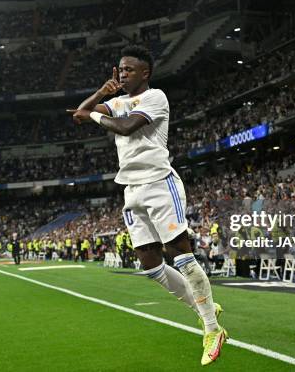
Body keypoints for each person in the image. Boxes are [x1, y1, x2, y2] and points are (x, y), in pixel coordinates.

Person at [67, 45, 226, 365]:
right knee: (150, 264)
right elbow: (79, 114)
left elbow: (124, 126)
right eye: (119, 69)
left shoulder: (156, 97)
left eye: (128, 70)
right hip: (131, 188)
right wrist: (101, 93)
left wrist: (95, 115)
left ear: (145, 73)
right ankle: (202, 306)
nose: (122, 74)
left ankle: (212, 328)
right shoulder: (118, 101)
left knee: (180, 255)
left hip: (158, 183)